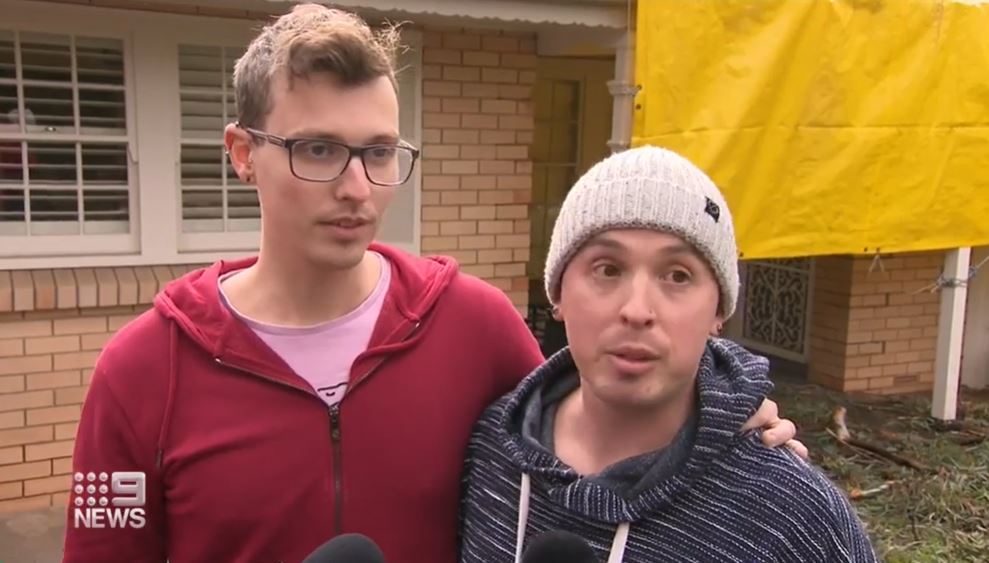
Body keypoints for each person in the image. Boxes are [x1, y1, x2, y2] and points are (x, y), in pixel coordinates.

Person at [62, 5, 804, 563]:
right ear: (241, 153)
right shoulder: (140, 372)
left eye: (379, 152)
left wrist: (724, 411)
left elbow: (593, 419)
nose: (356, 187)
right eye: (317, 148)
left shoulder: (472, 326)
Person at [459, 146, 878, 563]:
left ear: (718, 311)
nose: (637, 310)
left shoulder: (793, 516)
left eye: (677, 275)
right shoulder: (491, 450)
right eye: (608, 269)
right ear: (558, 294)